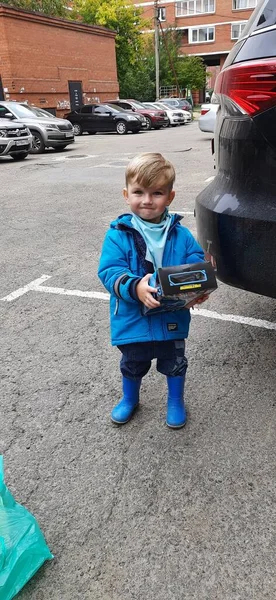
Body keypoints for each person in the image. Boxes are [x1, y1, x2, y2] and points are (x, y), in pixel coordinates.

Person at [98, 152, 208, 429]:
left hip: (172, 316)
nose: (147, 200)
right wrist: (135, 286)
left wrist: (201, 282)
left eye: (156, 193)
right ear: (126, 194)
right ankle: (129, 398)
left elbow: (195, 263)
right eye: (139, 192)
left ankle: (175, 401)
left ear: (170, 197)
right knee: (133, 363)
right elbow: (109, 271)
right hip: (133, 318)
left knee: (174, 361)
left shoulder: (180, 233)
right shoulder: (118, 233)